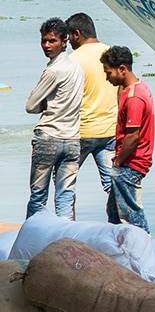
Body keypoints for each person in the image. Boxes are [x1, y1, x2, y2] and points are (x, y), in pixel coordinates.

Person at [25, 17, 83, 219]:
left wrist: (44, 103)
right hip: (73, 139)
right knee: (65, 196)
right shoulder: (76, 67)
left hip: (49, 137)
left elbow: (30, 106)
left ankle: (32, 240)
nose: (47, 46)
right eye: (44, 41)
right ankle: (65, 242)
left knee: (38, 196)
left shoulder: (53, 70)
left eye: (52, 41)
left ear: (64, 41)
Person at [100, 45, 155, 231]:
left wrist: (118, 161)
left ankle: (143, 249)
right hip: (129, 161)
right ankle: (118, 253)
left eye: (109, 73)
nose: (107, 78)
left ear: (122, 69)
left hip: (131, 163)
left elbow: (132, 135)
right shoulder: (136, 88)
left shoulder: (134, 98)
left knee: (132, 217)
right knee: (114, 213)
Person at [66, 11, 117, 198]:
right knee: (113, 186)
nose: (69, 41)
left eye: (69, 36)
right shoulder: (112, 54)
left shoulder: (73, 60)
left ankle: (67, 225)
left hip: (82, 132)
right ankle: (120, 226)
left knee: (66, 185)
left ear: (77, 34)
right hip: (110, 131)